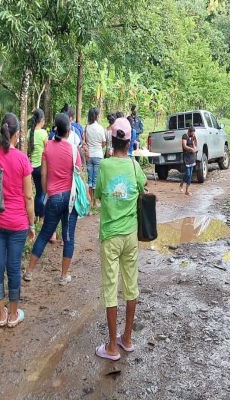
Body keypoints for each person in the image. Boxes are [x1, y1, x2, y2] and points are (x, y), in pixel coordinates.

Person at [94, 117, 147, 361]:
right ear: (130, 142)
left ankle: (112, 347)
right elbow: (143, 188)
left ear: (112, 140)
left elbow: (98, 195)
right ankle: (126, 339)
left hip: (110, 236)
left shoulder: (104, 167)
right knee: (131, 285)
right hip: (130, 235)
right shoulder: (135, 167)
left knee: (110, 288)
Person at [0, 113, 35, 328]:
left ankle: (1, 314)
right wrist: (31, 224)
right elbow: (28, 196)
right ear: (17, 134)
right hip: (17, 223)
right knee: (13, 267)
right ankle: (13, 315)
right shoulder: (22, 159)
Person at [24, 113, 85, 285]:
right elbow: (78, 175)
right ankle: (64, 275)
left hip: (54, 197)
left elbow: (43, 173)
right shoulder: (73, 149)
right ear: (69, 130)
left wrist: (46, 191)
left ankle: (29, 271)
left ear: (56, 129)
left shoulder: (48, 147)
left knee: (44, 234)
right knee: (68, 237)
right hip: (70, 199)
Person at [83, 107, 107, 206]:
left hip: (89, 155)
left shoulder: (87, 128)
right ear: (97, 116)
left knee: (90, 178)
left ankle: (89, 199)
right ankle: (95, 201)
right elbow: (104, 142)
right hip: (98, 154)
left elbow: (85, 141)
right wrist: (99, 147)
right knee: (96, 178)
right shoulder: (101, 128)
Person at [29, 108, 47, 221]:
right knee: (43, 192)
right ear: (41, 120)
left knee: (38, 192)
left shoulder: (29, 132)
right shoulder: (43, 133)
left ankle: (36, 216)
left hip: (31, 167)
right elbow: (48, 149)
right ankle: (41, 216)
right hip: (41, 166)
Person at [180, 126, 197, 196]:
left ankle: (186, 190)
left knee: (189, 175)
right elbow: (184, 146)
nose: (193, 134)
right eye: (192, 133)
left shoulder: (193, 136)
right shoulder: (185, 136)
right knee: (188, 174)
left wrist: (195, 147)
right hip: (186, 158)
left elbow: (195, 144)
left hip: (192, 157)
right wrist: (191, 149)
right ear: (189, 132)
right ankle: (183, 185)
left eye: (194, 133)